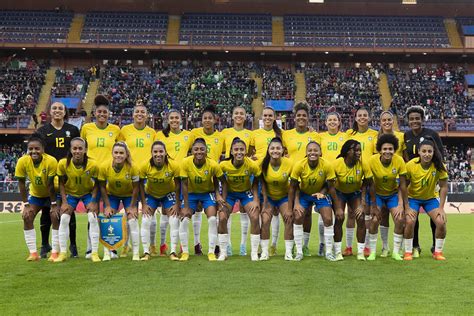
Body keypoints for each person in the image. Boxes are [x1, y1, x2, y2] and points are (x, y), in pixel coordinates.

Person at [37, 102, 80, 258]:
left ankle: (73, 245)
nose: (57, 111)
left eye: (60, 108)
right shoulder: (42, 131)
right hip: (48, 175)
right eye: (54, 108)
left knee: (69, 210)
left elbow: (77, 149)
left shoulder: (73, 130)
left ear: (64, 112)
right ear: (49, 111)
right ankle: (44, 244)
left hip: (67, 176)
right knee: (47, 210)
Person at [80, 95, 120, 259]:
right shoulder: (87, 128)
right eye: (99, 112)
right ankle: (91, 248)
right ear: (95, 113)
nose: (102, 114)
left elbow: (120, 150)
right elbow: (80, 149)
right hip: (91, 176)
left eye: (105, 112)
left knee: (110, 212)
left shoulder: (115, 130)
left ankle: (112, 248)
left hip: (109, 175)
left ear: (108, 114)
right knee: (93, 212)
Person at [403, 106, 444, 257]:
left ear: (422, 119)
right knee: (413, 218)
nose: (414, 121)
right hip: (413, 181)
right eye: (412, 119)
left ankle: (435, 246)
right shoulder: (405, 136)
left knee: (436, 219)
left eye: (417, 118)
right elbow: (404, 156)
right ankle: (415, 246)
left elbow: (439, 155)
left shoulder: (432, 134)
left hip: (430, 182)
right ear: (408, 121)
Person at [118, 101, 157, 257]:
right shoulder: (125, 130)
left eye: (143, 112)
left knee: (150, 214)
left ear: (147, 116)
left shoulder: (152, 132)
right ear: (133, 114)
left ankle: (152, 245)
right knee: (130, 214)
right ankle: (125, 246)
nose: (140, 114)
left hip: (147, 176)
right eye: (137, 112)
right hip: (130, 177)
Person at [179, 138, 227, 261]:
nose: (199, 151)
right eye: (196, 149)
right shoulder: (185, 163)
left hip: (207, 194)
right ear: (192, 151)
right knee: (184, 219)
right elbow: (184, 184)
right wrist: (185, 206)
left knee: (212, 219)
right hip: (191, 194)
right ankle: (185, 252)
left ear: (206, 151)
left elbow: (222, 181)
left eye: (202, 149)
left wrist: (219, 195)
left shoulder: (213, 164)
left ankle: (211, 252)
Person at [289, 141, 338, 261]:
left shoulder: (326, 165)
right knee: (298, 216)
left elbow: (330, 185)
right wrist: (295, 204)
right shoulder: (299, 165)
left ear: (320, 152)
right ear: (306, 152)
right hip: (304, 194)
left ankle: (328, 252)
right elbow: (293, 187)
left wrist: (323, 193)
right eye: (310, 150)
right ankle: (300, 251)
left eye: (315, 150)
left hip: (320, 194)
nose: (313, 153)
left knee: (327, 218)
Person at [282, 102, 319, 257]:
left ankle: (304, 245)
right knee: (290, 213)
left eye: (304, 115)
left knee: (307, 214)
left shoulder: (315, 136)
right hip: (291, 180)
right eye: (299, 116)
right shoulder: (286, 134)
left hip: (308, 180)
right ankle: (290, 247)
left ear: (308, 118)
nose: (301, 118)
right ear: (294, 118)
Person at [55, 137, 100, 262]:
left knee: (93, 217)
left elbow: (97, 184)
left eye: (80, 148)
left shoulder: (93, 164)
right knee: (64, 218)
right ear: (70, 149)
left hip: (87, 194)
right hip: (71, 194)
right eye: (75, 148)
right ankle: (63, 253)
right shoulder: (63, 163)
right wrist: (64, 202)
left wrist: (93, 201)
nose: (77, 151)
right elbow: (61, 184)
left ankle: (94, 252)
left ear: (85, 150)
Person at [155, 109, 193, 254]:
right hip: (167, 176)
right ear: (167, 119)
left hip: (182, 177)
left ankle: (182, 245)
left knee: (181, 212)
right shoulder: (160, 135)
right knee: (166, 212)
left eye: (177, 118)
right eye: (172, 118)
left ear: (181, 119)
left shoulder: (188, 135)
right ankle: (163, 244)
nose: (174, 120)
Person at [15, 133, 58, 261]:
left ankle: (55, 252)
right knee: (27, 217)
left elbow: (50, 185)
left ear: (43, 149)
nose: (34, 151)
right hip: (36, 195)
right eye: (31, 149)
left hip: (52, 195)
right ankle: (33, 254)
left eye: (37, 148)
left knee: (55, 217)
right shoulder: (22, 161)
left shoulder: (51, 161)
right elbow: (21, 184)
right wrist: (26, 205)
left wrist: (54, 204)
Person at [332, 140, 376, 261]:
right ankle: (337, 252)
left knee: (360, 217)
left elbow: (369, 184)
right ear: (347, 151)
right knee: (339, 217)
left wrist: (364, 203)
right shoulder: (337, 164)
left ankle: (361, 253)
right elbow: (330, 185)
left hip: (355, 194)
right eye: (355, 150)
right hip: (339, 193)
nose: (359, 153)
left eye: (359, 150)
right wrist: (337, 206)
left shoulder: (363, 164)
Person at [367, 134, 409, 261]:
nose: (387, 151)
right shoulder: (372, 161)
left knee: (400, 219)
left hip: (392, 195)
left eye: (390, 149)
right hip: (377, 195)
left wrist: (402, 204)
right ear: (380, 150)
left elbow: (402, 184)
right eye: (385, 149)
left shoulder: (399, 160)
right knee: (374, 220)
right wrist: (374, 206)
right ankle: (373, 252)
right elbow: (370, 184)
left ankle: (396, 252)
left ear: (394, 149)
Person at [219, 138, 261, 261]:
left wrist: (256, 199)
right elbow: (218, 181)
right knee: (221, 218)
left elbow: (257, 180)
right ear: (231, 151)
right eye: (236, 149)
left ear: (246, 151)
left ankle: (253, 252)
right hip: (230, 194)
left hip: (246, 193)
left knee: (254, 216)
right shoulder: (223, 165)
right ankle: (223, 252)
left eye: (242, 149)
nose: (239, 152)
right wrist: (220, 197)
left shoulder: (252, 165)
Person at [249, 106, 283, 257]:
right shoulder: (255, 134)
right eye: (266, 116)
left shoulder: (281, 134)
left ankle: (273, 245)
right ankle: (259, 247)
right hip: (258, 175)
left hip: (275, 175)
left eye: (270, 115)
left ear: (274, 117)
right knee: (260, 212)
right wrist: (253, 158)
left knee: (274, 212)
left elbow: (285, 152)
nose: (268, 118)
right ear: (262, 118)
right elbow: (249, 152)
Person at [98, 142, 140, 261]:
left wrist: (132, 206)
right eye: (116, 152)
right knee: (108, 218)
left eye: (121, 153)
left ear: (126, 155)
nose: (118, 155)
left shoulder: (133, 167)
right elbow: (102, 187)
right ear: (112, 153)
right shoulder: (104, 166)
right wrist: (106, 206)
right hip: (112, 195)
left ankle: (136, 253)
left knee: (132, 219)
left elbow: (136, 187)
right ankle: (109, 252)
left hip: (128, 196)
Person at [139, 141, 181, 261]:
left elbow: (178, 185)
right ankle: (146, 252)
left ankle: (173, 251)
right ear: (151, 153)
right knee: (146, 220)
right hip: (151, 195)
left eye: (161, 151)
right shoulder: (144, 166)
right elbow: (140, 185)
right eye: (155, 152)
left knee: (174, 219)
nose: (158, 154)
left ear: (166, 152)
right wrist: (144, 203)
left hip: (168, 194)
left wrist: (177, 203)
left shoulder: (174, 165)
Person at [344, 107, 378, 257]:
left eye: (365, 115)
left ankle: (367, 247)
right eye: (360, 115)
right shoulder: (349, 134)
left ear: (369, 118)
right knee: (351, 214)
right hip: (353, 177)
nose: (362, 117)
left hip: (369, 177)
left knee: (368, 213)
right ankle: (349, 247)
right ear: (355, 118)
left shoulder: (374, 135)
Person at [221, 106, 253, 256]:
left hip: (245, 173)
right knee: (226, 212)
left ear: (245, 117)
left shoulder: (250, 134)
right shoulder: (225, 133)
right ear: (232, 116)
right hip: (230, 173)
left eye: (242, 113)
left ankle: (243, 245)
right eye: (236, 113)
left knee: (244, 211)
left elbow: (252, 152)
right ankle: (227, 245)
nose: (239, 116)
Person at [375, 110, 406, 257]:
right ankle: (385, 247)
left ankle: (400, 248)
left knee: (401, 216)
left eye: (389, 119)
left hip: (397, 179)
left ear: (393, 121)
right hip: (381, 180)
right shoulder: (375, 137)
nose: (387, 122)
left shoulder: (401, 136)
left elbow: (405, 157)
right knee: (383, 217)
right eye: (384, 120)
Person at [318, 111, 347, 256]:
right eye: (329, 120)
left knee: (338, 215)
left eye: (335, 120)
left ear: (339, 122)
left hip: (340, 180)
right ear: (325, 122)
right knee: (322, 213)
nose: (332, 122)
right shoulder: (320, 136)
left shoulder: (345, 136)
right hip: (324, 178)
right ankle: (322, 243)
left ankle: (338, 246)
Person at [260, 137, 294, 261]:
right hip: (269, 198)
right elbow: (262, 182)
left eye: (278, 148)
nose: (275, 151)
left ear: (283, 150)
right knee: (264, 220)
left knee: (289, 219)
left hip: (284, 197)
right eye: (272, 148)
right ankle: (264, 252)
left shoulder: (289, 163)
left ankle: (288, 252)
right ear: (268, 150)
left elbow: (293, 186)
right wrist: (264, 201)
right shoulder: (263, 163)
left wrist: (290, 208)